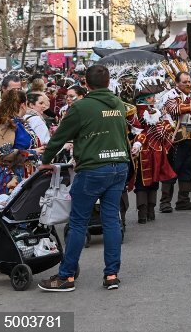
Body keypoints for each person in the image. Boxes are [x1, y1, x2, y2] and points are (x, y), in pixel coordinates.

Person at [37, 64, 130, 292]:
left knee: (78, 222)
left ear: (86, 85)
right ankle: (112, 275)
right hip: (119, 166)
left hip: (93, 169)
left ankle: (66, 277)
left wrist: (45, 160)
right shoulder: (118, 103)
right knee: (111, 221)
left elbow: (59, 138)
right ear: (108, 82)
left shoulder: (81, 107)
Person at [159, 72, 191, 212]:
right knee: (171, 170)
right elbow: (174, 110)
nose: (188, 84)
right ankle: (165, 203)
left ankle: (183, 201)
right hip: (176, 140)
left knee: (187, 170)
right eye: (185, 82)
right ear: (177, 83)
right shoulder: (170, 95)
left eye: (189, 81)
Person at [129, 99, 176, 224]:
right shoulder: (142, 113)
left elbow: (166, 129)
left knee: (149, 183)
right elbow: (165, 130)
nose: (153, 99)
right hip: (147, 154)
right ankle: (146, 213)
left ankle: (147, 212)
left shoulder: (153, 118)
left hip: (153, 154)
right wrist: (165, 117)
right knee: (144, 183)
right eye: (150, 97)